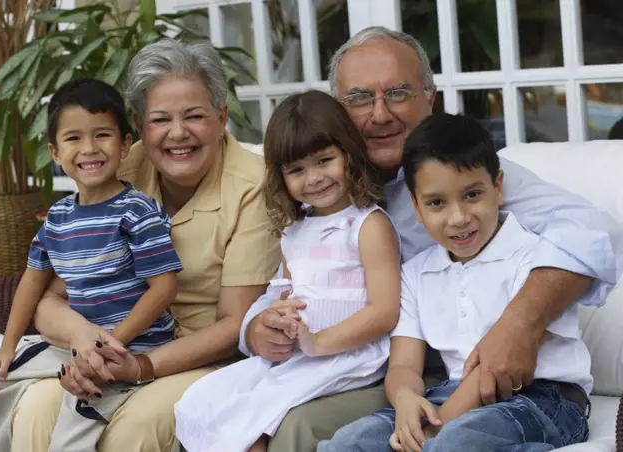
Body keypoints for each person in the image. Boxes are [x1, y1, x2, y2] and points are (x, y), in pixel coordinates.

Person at [239, 27, 622, 450]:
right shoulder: (322, 194)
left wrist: (519, 325)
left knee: (299, 426)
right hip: (370, 370)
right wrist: (258, 328)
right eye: (361, 98)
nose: (380, 114)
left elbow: (591, 230)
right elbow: (290, 285)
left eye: (399, 93)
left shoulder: (470, 176)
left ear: (430, 98)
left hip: (481, 383)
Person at [0, 39, 281, 451]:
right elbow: (51, 298)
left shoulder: (255, 186)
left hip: (203, 359)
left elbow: (234, 326)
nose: (178, 133)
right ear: (138, 126)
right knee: (36, 408)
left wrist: (136, 365)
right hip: (107, 346)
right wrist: (89, 344)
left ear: (221, 116)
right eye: (160, 120)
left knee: (131, 427)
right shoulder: (117, 166)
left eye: (194, 115)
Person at [319, 113, 594, 452]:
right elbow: (404, 364)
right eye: (436, 203)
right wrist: (406, 399)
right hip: (449, 394)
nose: (459, 217)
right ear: (416, 207)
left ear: (498, 187)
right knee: (349, 443)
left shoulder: (538, 258)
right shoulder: (416, 273)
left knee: (455, 441)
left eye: (472, 195)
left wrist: (437, 428)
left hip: (544, 399)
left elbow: (494, 368)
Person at [173, 90, 401, 452]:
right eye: (296, 170)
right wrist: (273, 317)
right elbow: (283, 293)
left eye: (324, 160)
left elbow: (384, 310)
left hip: (347, 355)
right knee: (204, 400)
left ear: (348, 154)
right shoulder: (293, 231)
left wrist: (320, 343)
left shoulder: (366, 225)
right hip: (298, 355)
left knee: (257, 423)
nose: (313, 179)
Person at [0, 78, 184, 452]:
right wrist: (6, 347)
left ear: (124, 145)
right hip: (76, 346)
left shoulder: (137, 212)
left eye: (102, 135)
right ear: (55, 153)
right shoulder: (57, 218)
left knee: (71, 434)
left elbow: (164, 288)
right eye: (74, 139)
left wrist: (112, 346)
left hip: (131, 348)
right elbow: (32, 281)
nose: (89, 148)